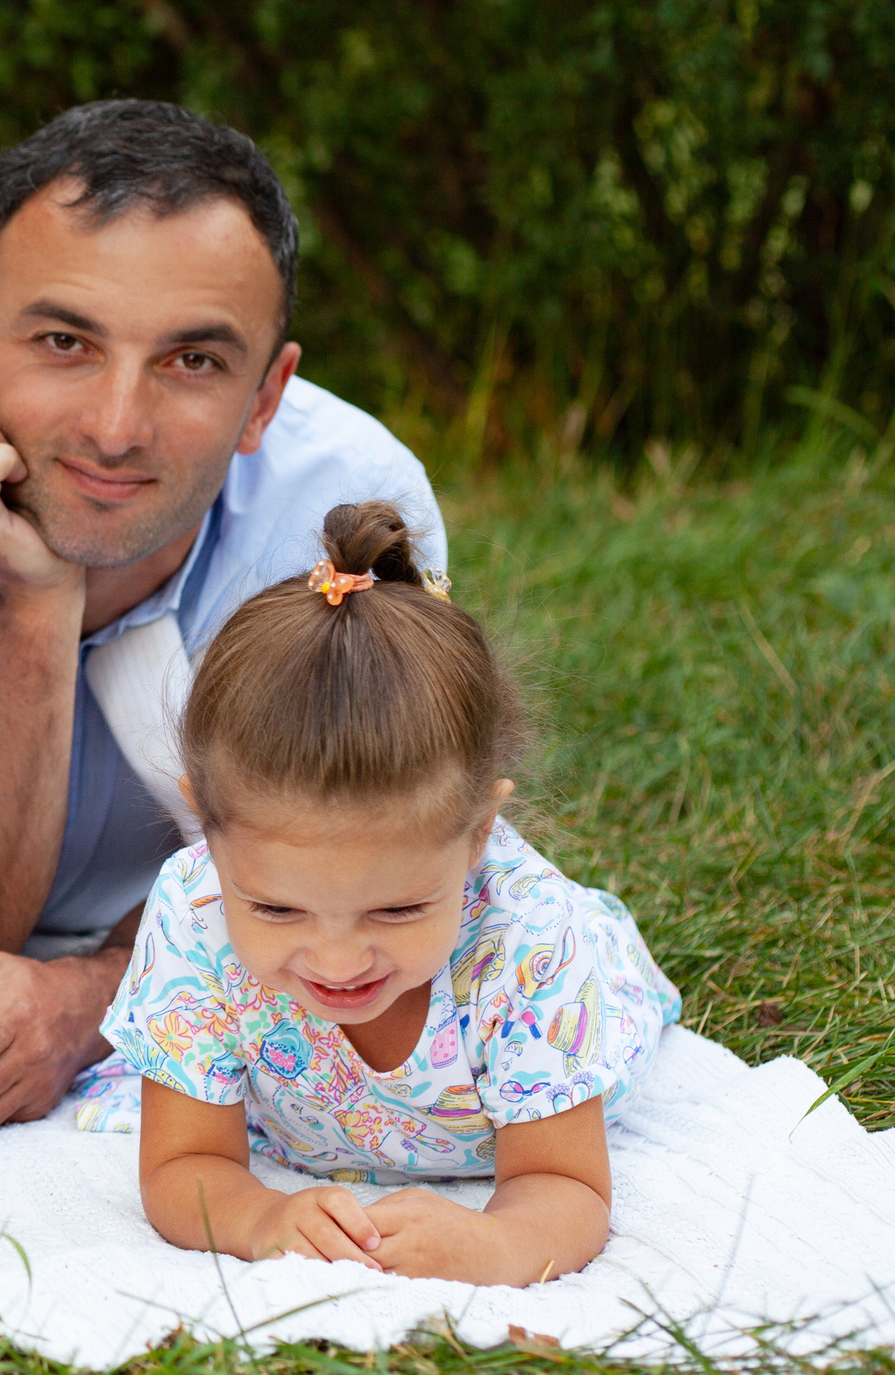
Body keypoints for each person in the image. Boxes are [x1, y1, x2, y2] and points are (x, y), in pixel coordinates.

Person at [0, 99, 447, 1137]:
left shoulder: (345, 515)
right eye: (64, 342)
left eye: (193, 361)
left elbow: (369, 876)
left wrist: (95, 996)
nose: (114, 427)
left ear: (267, 397)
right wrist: (40, 602)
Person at [96, 503, 674, 1285]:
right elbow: (182, 1162)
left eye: (397, 909)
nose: (337, 960)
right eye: (276, 907)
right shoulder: (192, 912)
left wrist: (496, 1244)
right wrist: (259, 1216)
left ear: (478, 834)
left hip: (595, 983)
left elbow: (565, 1184)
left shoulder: (533, 945)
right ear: (206, 826)